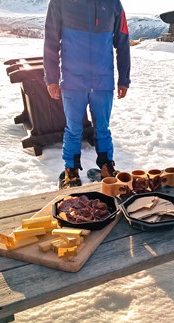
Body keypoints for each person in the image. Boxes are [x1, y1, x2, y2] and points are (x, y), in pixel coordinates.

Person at [43, 0, 131, 189]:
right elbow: (51, 40)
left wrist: (124, 79)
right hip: (73, 80)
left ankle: (106, 166)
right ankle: (71, 170)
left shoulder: (113, 4)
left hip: (103, 81)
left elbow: (123, 41)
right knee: (73, 129)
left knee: (103, 128)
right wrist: (51, 78)